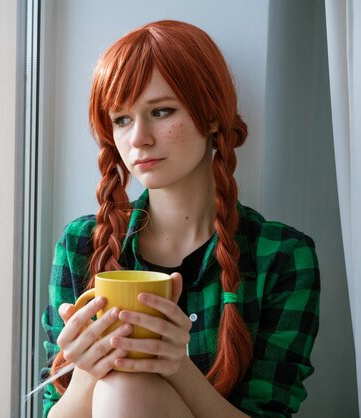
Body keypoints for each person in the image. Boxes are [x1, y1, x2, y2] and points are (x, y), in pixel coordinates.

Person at [41, 20, 320, 418]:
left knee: (127, 388)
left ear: (210, 116)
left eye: (161, 111)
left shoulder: (281, 256)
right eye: (121, 119)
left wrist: (178, 368)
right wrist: (87, 371)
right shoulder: (81, 244)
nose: (138, 138)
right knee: (123, 387)